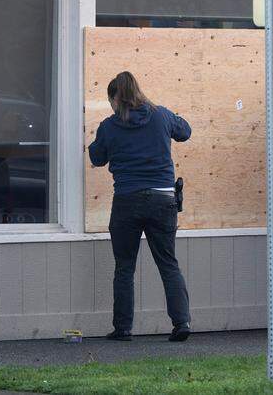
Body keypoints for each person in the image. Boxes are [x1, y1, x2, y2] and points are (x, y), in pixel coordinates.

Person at [88, 71, 192, 342]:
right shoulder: (161, 115)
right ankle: (182, 323)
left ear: (115, 98)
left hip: (127, 201)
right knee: (168, 263)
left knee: (124, 267)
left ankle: (123, 329)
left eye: (110, 100)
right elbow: (186, 132)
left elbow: (97, 158)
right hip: (163, 199)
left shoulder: (109, 126)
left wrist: (95, 142)